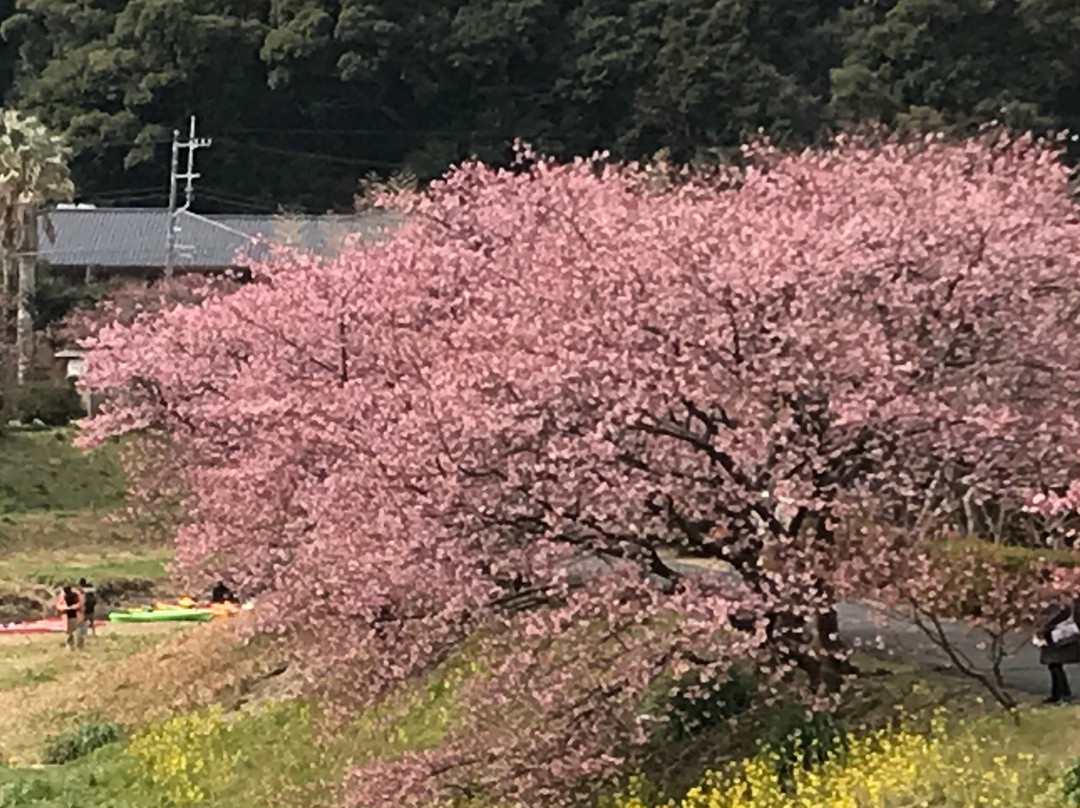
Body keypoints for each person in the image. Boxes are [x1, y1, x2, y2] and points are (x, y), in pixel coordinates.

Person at [1039, 598, 1080, 703]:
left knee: (1055, 665)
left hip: (1058, 634)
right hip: (1053, 634)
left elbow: (1064, 612)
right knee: (1054, 665)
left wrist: (1047, 626)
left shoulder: (1064, 598)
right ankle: (1059, 693)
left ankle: (1061, 693)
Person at [55, 584, 85, 651]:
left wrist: (74, 606)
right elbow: (58, 605)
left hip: (77, 616)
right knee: (68, 633)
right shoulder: (62, 596)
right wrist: (65, 608)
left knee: (79, 632)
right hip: (67, 617)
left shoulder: (76, 594)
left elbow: (80, 603)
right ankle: (69, 646)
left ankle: (80, 646)